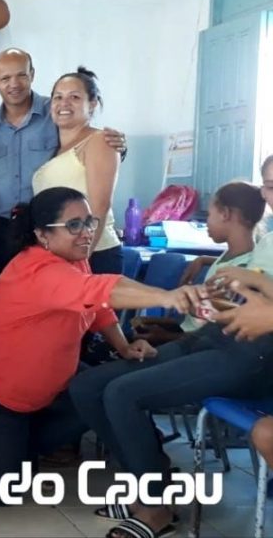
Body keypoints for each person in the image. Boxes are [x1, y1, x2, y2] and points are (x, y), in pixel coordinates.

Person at [0, 187, 200, 507]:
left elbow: (98, 308)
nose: (86, 233)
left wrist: (123, 347)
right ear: (42, 234)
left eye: (89, 222)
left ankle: (20, 443)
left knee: (97, 391)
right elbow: (102, 290)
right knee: (5, 493)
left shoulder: (74, 261)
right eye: (74, 225)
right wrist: (166, 296)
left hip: (46, 390)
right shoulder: (37, 269)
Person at [68, 156, 273, 538]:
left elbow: (255, 292)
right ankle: (151, 486)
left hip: (253, 354)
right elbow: (243, 292)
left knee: (123, 393)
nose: (270, 194)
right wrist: (227, 279)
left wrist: (246, 283)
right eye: (268, 184)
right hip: (213, 338)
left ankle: (156, 505)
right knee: (88, 386)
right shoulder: (271, 238)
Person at [0, 49, 126, 297]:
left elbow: (93, 143)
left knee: (49, 305)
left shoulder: (56, 111)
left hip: (48, 231)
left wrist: (120, 146)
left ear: (32, 75)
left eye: (21, 75)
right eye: (5, 78)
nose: (14, 84)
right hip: (4, 229)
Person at [134, 181, 263, 345]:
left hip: (195, 343)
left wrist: (166, 336)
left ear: (225, 214)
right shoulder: (237, 257)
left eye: (209, 215)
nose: (207, 222)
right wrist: (202, 259)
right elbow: (231, 263)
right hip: (187, 333)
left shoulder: (242, 273)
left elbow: (215, 326)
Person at [32, 67, 122, 274]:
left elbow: (100, 206)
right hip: (59, 257)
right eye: (58, 97)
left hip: (94, 254)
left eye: (74, 97)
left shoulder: (99, 140)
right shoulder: (54, 149)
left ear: (92, 104)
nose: (64, 103)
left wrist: (82, 259)